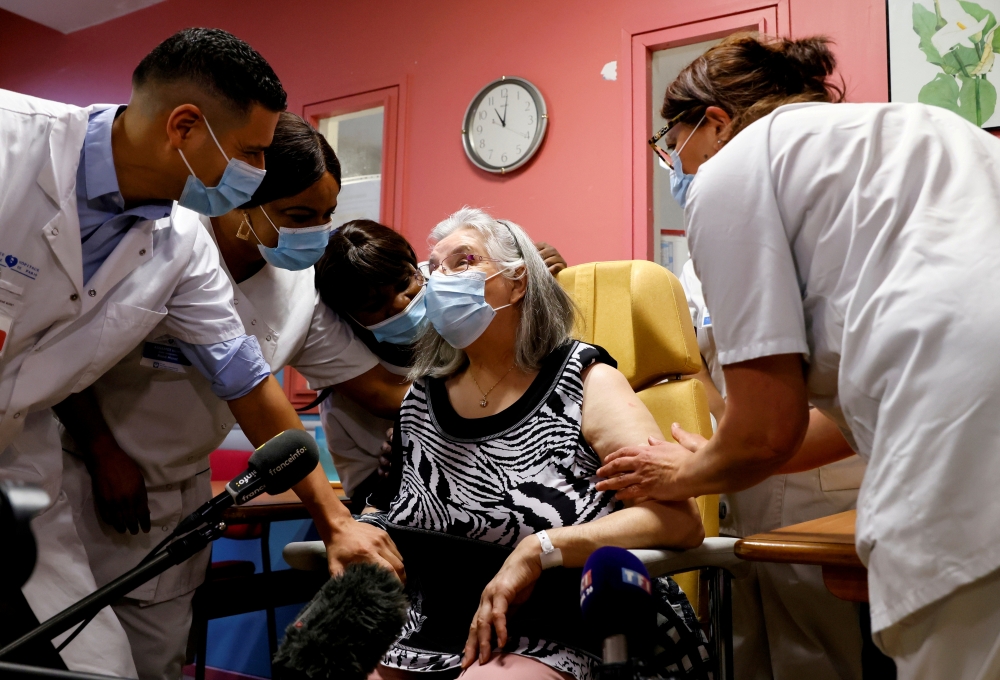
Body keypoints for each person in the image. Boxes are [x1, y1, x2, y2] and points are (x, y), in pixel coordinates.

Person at [595, 33, 1000, 679]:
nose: (676, 163)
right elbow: (852, 405)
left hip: (965, 435)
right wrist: (718, 460)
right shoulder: (929, 129)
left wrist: (685, 474)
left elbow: (764, 430)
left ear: (714, 120)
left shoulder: (733, 169)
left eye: (673, 143)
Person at [0, 29, 389, 675]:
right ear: (185, 126)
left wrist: (332, 518)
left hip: (17, 463)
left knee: (99, 668)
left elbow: (246, 381)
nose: (258, 175)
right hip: (70, 470)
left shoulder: (183, 247)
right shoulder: (12, 140)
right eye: (251, 153)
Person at [360, 208, 711, 680]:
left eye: (463, 262)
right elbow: (386, 511)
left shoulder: (583, 380)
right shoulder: (421, 396)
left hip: (563, 623)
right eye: (435, 268)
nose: (442, 280)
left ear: (519, 282)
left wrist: (540, 548)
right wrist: (362, 531)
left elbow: (678, 519)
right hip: (433, 625)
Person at [679, 259, 867, 680]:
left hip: (819, 490)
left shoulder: (825, 252)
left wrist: (753, 447)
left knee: (820, 653)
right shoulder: (693, 270)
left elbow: (863, 391)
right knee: (742, 650)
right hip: (737, 489)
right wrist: (734, 444)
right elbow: (695, 363)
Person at [314, 219, 567, 505]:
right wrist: (396, 471)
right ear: (349, 319)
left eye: (405, 283)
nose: (400, 304)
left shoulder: (455, 297)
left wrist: (542, 277)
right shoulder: (347, 400)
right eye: (375, 306)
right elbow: (363, 498)